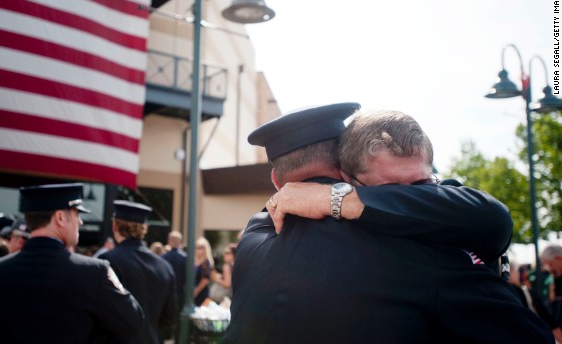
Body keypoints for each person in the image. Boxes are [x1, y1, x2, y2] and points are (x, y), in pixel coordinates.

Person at [224, 105, 552, 343]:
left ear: (276, 180)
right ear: (345, 171)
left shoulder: (253, 239)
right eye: (395, 190)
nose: (410, 196)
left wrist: (335, 200)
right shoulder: (415, 248)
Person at [0, 183, 144, 343]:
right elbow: (133, 322)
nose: (80, 222)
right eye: (76, 214)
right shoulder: (95, 272)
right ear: (60, 217)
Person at [99, 200, 177, 344]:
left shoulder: (105, 262)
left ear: (115, 225)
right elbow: (170, 317)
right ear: (144, 228)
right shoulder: (164, 266)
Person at [161, 230, 187, 342]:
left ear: (169, 241)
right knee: (179, 321)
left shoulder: (163, 258)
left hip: (166, 294)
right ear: (180, 242)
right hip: (181, 293)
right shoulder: (186, 258)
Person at [194, 237, 213, 307]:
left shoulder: (206, 262)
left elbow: (206, 280)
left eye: (201, 247)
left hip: (201, 293)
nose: (198, 249)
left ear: (205, 249)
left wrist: (195, 291)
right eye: (197, 247)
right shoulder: (193, 261)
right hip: (194, 292)